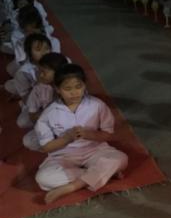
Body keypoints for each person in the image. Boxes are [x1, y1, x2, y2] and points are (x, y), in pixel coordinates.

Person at [34, 64, 128, 204]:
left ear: (84, 85)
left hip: (95, 150)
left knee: (121, 158)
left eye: (78, 87)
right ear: (57, 89)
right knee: (43, 178)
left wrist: (89, 134)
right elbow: (46, 147)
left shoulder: (97, 105)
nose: (74, 93)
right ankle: (103, 173)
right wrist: (67, 138)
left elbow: (107, 134)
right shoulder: (49, 114)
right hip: (65, 155)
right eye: (67, 89)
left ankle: (72, 186)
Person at [20, 52, 69, 150]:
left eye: (44, 72)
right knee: (28, 140)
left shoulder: (70, 87)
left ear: (58, 72)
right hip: (49, 122)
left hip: (67, 125)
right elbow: (32, 115)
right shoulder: (40, 88)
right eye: (39, 71)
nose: (40, 75)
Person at [5, 33, 52, 100]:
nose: (44, 52)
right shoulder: (24, 72)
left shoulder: (56, 62)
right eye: (38, 49)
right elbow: (26, 98)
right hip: (35, 97)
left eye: (47, 48)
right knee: (8, 86)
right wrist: (39, 84)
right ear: (29, 52)